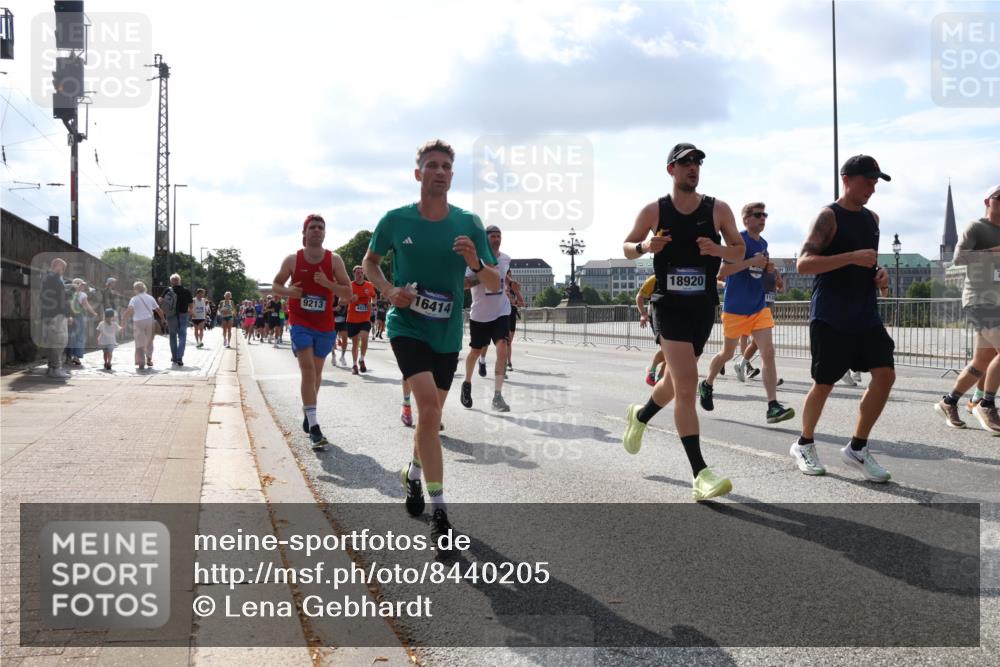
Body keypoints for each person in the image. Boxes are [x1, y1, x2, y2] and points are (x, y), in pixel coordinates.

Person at [363, 139, 498, 547]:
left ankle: (414, 474)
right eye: (431, 165)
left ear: (452, 176)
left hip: (445, 332)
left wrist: (475, 262)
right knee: (428, 411)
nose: (439, 172)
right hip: (406, 324)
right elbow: (370, 262)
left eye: (446, 167)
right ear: (418, 173)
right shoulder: (395, 220)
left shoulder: (468, 223)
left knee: (431, 415)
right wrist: (388, 289)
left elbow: (493, 283)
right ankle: (441, 512)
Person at [621, 142, 743, 502]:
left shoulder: (717, 209)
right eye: (685, 162)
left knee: (675, 383)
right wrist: (646, 247)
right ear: (671, 169)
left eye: (698, 162)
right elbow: (627, 246)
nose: (693, 167)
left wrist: (717, 251)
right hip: (668, 305)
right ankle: (700, 474)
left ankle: (640, 416)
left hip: (702, 306)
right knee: (688, 384)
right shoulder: (655, 210)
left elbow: (738, 251)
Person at [790, 154, 894, 481]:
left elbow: (868, 264)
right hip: (831, 315)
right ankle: (804, 443)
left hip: (865, 314)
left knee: (885, 375)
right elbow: (803, 264)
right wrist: (852, 257)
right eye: (867, 181)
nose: (872, 188)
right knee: (824, 384)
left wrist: (881, 275)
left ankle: (858, 448)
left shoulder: (872, 219)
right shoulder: (828, 217)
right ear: (846, 179)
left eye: (876, 182)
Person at [699, 202, 794, 424]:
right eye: (758, 215)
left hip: (758, 307)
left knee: (768, 352)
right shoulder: (737, 241)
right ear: (746, 219)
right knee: (727, 354)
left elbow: (757, 270)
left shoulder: (764, 243)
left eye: (765, 215)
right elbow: (721, 273)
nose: (763, 218)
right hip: (735, 308)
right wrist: (752, 261)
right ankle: (707, 383)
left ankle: (773, 406)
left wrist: (767, 269)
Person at [272, 214, 352, 450]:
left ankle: (309, 412)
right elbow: (276, 285)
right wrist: (289, 293)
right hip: (300, 321)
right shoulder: (292, 260)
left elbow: (347, 293)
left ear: (324, 233)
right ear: (304, 233)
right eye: (312, 227)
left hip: (325, 325)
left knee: (316, 375)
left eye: (321, 227)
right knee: (307, 371)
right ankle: (315, 427)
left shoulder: (334, 260)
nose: (317, 230)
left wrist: (329, 285)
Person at [935, 183, 1000, 432]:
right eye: (999, 197)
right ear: (987, 201)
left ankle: (949, 400)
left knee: (981, 361)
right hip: (979, 299)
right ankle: (986, 404)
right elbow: (959, 258)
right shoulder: (976, 227)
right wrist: (994, 252)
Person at [460, 224, 513, 412]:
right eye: (493, 236)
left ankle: (497, 396)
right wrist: (483, 276)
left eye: (499, 236)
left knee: (502, 349)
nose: (497, 239)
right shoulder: (475, 260)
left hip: (501, 311)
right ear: (485, 239)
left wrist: (509, 284)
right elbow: (465, 284)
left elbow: (504, 277)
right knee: (475, 352)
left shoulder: (506, 259)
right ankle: (466, 384)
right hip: (480, 315)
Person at [39, 258, 71, 378]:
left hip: (49, 314)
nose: (63, 271)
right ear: (57, 266)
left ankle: (52, 368)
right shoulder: (54, 279)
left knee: (53, 342)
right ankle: (56, 368)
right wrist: (67, 314)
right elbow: (61, 298)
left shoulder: (47, 278)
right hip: (56, 315)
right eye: (62, 268)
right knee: (59, 341)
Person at [122, 281, 163, 372]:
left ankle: (141, 362)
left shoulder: (134, 299)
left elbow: (130, 309)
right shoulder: (150, 297)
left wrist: (124, 319)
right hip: (149, 321)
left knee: (139, 342)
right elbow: (158, 309)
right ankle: (149, 358)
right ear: (144, 288)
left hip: (138, 322)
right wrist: (163, 319)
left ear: (136, 289)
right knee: (149, 341)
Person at [635, 274, 665, 386]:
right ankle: (652, 370)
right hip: (658, 316)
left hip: (676, 317)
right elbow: (639, 296)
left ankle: (661, 377)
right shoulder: (655, 279)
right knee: (667, 348)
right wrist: (643, 314)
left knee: (675, 351)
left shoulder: (680, 274)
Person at [346, 266, 377, 374]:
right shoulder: (350, 285)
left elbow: (374, 296)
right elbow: (341, 300)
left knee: (364, 337)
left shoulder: (369, 285)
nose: (359, 275)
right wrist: (350, 300)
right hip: (352, 319)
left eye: (361, 273)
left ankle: (362, 359)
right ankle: (354, 364)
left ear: (363, 274)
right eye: (357, 273)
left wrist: (373, 304)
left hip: (365, 318)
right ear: (354, 274)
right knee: (355, 343)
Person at [164, 273, 193, 366]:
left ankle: (174, 357)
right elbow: (191, 305)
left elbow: (160, 300)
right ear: (179, 280)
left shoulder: (168, 290)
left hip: (171, 316)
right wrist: (189, 311)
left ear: (171, 281)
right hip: (183, 315)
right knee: (182, 336)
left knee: (172, 336)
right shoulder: (186, 291)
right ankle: (180, 357)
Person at [505, 269, 525, 373]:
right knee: (505, 340)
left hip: (512, 314)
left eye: (510, 276)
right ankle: (506, 362)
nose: (509, 278)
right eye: (507, 276)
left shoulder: (514, 289)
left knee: (509, 342)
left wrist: (513, 301)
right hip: (503, 315)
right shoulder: (500, 288)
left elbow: (522, 303)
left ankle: (508, 362)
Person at [333, 296, 349, 364]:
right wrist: (334, 309)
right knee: (332, 340)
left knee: (345, 339)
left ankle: (342, 356)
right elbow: (327, 308)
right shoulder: (333, 297)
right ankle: (333, 355)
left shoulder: (347, 295)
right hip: (333, 321)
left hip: (344, 322)